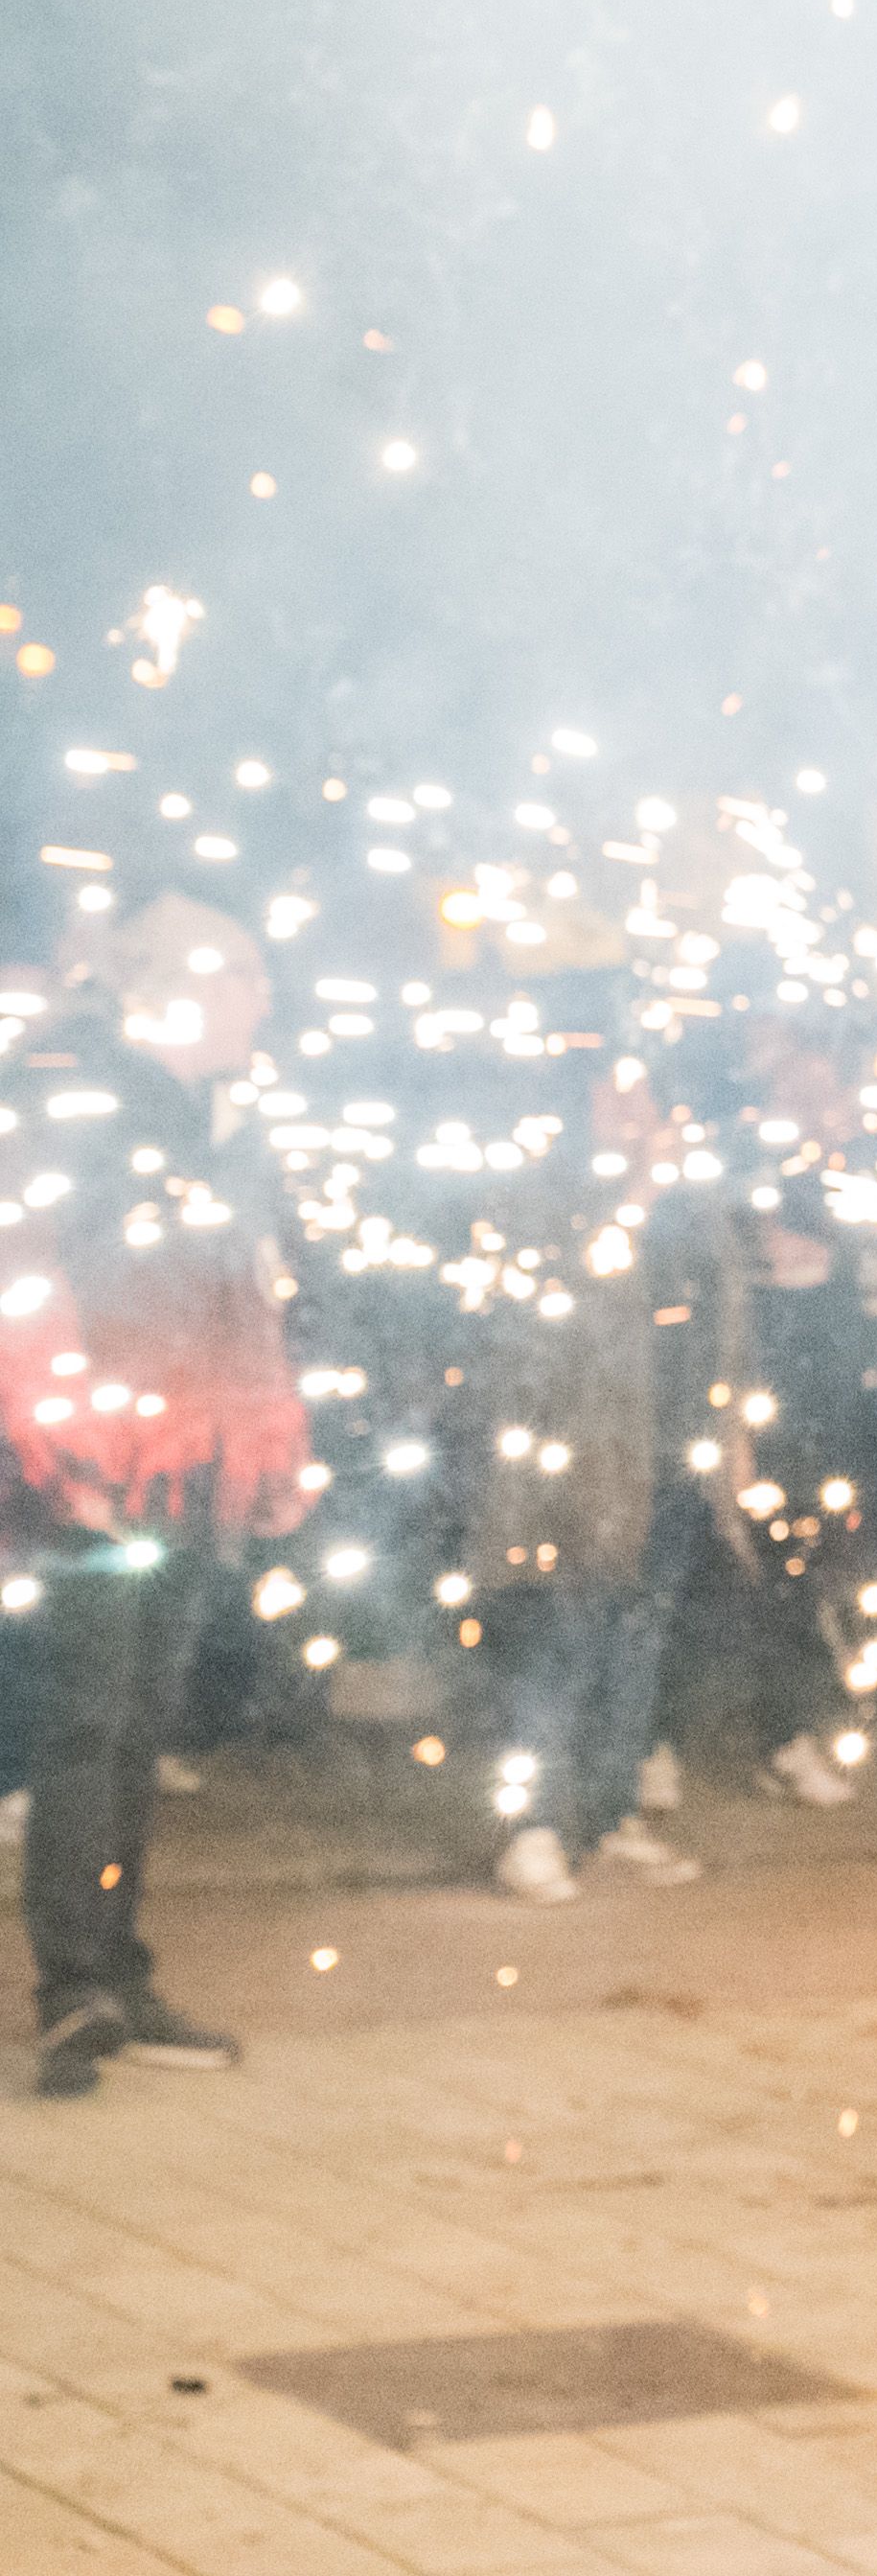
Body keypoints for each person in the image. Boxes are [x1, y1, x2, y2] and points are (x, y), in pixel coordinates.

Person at [2, 893, 312, 2097]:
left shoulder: (228, 1117)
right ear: (174, 985)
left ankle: (118, 1972)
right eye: (244, 973)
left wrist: (269, 1433)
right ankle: (73, 1986)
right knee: (89, 1717)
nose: (264, 998)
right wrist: (56, 1429)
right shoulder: (75, 1092)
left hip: (192, 1455)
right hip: (98, 1458)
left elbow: (251, 1287)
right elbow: (21, 1262)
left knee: (138, 1719)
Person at [458, 1058, 702, 1902]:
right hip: (575, 1467)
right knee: (555, 1649)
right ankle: (527, 1829)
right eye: (617, 1094)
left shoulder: (681, 1200)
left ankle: (603, 1816)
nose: (639, 1112)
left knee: (629, 1651)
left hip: (666, 1454)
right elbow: (556, 1316)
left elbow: (717, 1310)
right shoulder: (544, 1196)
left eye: (646, 1094)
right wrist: (634, 1195)